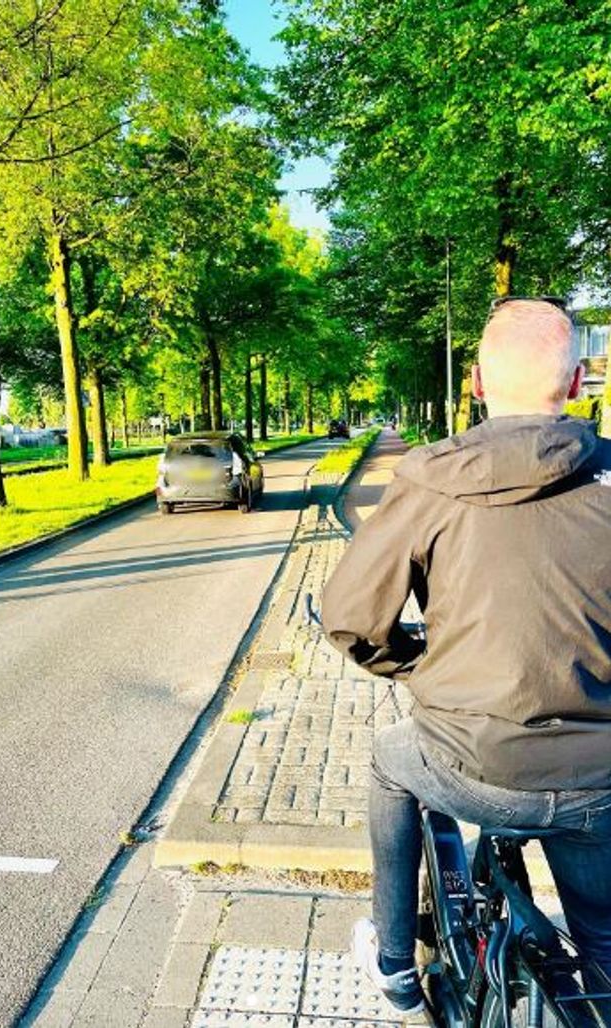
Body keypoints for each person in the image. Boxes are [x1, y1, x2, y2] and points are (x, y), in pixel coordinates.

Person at [321, 297, 611, 1015]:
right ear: (577, 384)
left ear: (475, 382)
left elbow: (351, 620)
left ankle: (393, 964)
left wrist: (417, 668)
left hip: (471, 762)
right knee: (603, 946)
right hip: (601, 780)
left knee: (392, 761)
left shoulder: (429, 479)